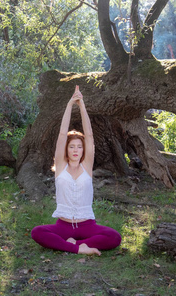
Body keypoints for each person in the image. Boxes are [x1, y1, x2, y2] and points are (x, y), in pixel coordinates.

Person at [31, 85, 122, 256]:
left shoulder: (86, 166)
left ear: (83, 150)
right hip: (63, 226)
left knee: (114, 237)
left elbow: (89, 136)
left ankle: (74, 244)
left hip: (87, 225)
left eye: (79, 147)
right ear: (66, 149)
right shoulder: (60, 167)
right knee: (37, 232)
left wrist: (81, 106)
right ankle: (79, 248)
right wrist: (69, 105)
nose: (75, 150)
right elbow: (61, 134)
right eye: (71, 146)